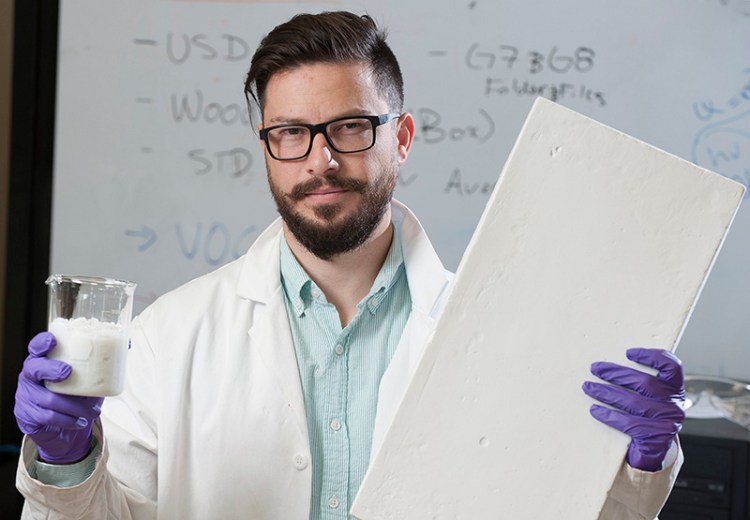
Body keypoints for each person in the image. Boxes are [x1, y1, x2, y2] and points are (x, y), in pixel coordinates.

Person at [14, 11, 685, 520]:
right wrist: (67, 461)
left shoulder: (501, 333)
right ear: (268, 146)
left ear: (402, 137)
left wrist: (634, 465)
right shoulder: (170, 336)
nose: (321, 159)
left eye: (351, 127)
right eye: (291, 134)